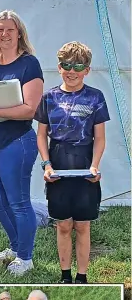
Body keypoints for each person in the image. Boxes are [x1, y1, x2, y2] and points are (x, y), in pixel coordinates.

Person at [34, 41, 109, 284]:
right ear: (59, 67)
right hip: (58, 163)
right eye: (67, 65)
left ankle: (82, 277)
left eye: (78, 66)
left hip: (85, 163)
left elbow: (99, 138)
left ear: (87, 70)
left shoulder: (96, 97)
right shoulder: (49, 98)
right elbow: (41, 135)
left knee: (83, 226)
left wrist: (95, 165)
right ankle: (65, 276)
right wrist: (46, 165)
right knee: (64, 225)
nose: (72, 71)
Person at [0, 10, 44, 276]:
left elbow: (30, 109)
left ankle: (25, 258)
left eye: (10, 30)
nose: (4, 34)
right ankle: (16, 247)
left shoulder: (29, 64)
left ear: (19, 34)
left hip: (17, 142)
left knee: (18, 202)